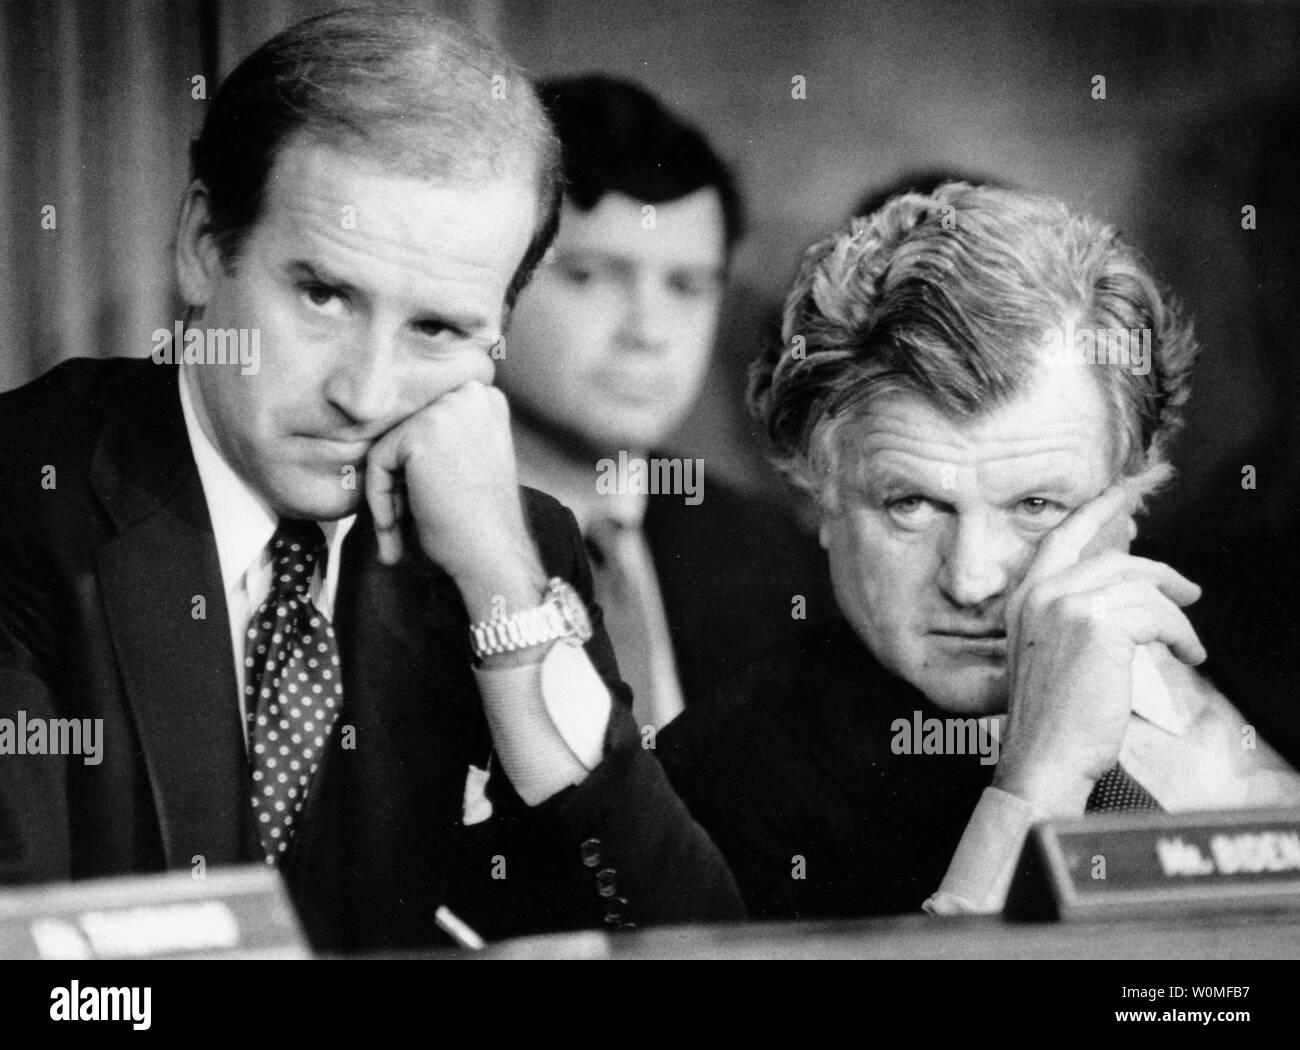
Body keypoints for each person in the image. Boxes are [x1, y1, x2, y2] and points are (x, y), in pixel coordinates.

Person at [0, 9, 742, 954]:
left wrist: (504, 591)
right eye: (323, 296)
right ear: (201, 243)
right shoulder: (22, 497)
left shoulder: (510, 544)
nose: (366, 392)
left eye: (437, 330)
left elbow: (688, 940)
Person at [659, 182, 1300, 920]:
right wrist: (1037, 782)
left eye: (1036, 507)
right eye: (911, 505)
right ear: (819, 494)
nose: (971, 581)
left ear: (1135, 483)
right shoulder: (722, 783)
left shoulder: (1276, 622)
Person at [494, 75, 831, 732]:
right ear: (493, 280)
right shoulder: (390, 542)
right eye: (590, 276)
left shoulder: (771, 555)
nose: (647, 332)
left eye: (686, 286)